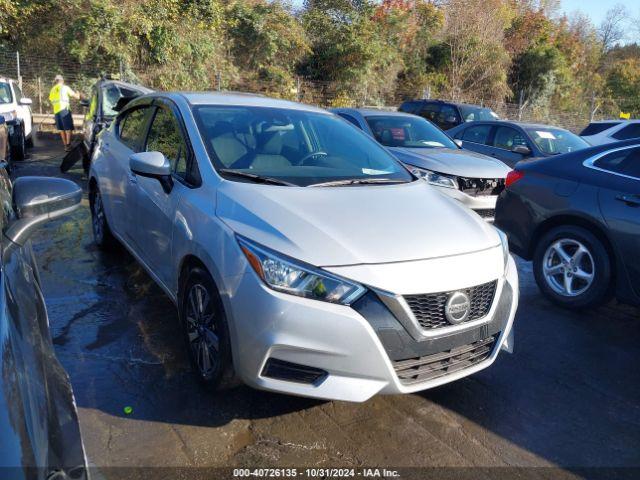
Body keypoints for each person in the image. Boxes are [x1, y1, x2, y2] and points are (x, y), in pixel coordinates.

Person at [49, 75, 80, 151]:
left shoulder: (52, 89)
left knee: (61, 129)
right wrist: (78, 93)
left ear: (56, 81)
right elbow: (77, 97)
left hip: (56, 111)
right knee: (68, 128)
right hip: (64, 110)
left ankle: (65, 145)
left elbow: (51, 100)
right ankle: (68, 145)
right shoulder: (65, 88)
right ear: (62, 81)